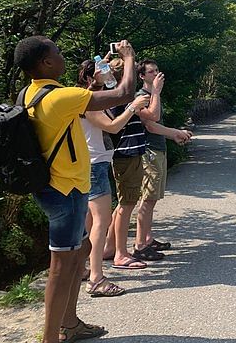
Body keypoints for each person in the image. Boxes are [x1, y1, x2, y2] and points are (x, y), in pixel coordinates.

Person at [13, 37, 137, 343]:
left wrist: (95, 81)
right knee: (60, 265)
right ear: (45, 63)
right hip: (64, 191)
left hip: (60, 187)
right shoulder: (60, 97)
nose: (62, 54)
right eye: (56, 52)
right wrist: (129, 57)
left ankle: (70, 322)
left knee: (80, 250)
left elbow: (80, 100)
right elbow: (124, 93)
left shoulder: (30, 93)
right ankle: (50, 338)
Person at [77, 60, 150, 297]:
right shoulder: (89, 103)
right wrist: (132, 107)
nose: (110, 80)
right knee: (101, 221)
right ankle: (96, 278)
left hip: (90, 163)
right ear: (92, 78)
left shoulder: (85, 97)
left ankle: (83, 268)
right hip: (95, 165)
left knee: (88, 220)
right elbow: (113, 127)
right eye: (106, 75)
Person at [105, 58, 163, 266]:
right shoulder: (124, 97)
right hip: (126, 154)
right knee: (127, 204)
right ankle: (121, 253)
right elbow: (153, 118)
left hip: (130, 153)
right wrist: (155, 92)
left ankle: (111, 248)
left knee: (124, 203)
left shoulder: (122, 97)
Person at [135, 59, 192, 255]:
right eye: (151, 72)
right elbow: (151, 123)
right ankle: (140, 245)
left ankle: (147, 238)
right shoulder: (141, 96)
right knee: (147, 198)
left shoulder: (152, 95)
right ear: (142, 76)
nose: (156, 74)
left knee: (153, 199)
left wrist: (174, 136)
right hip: (148, 152)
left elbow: (156, 124)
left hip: (158, 150)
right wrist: (175, 132)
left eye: (157, 71)